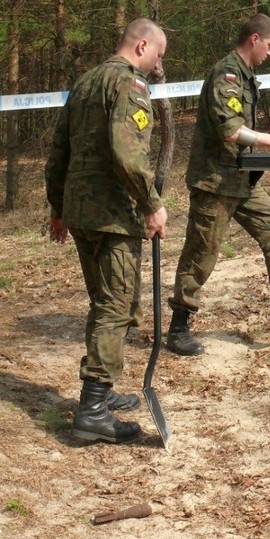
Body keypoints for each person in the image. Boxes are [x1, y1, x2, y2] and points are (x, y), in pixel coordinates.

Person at [166, 13, 270, 356]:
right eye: (269, 46)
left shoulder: (246, 76)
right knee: (201, 254)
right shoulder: (225, 74)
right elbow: (229, 129)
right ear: (254, 39)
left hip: (242, 179)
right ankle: (178, 328)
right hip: (215, 182)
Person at [45, 18, 168, 444]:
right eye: (158, 54)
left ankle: (104, 391)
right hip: (113, 216)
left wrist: (58, 209)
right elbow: (127, 152)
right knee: (116, 307)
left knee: (103, 303)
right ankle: (92, 410)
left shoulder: (84, 84)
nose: (158, 65)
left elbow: (57, 151)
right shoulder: (129, 86)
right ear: (141, 46)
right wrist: (152, 204)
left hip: (81, 214)